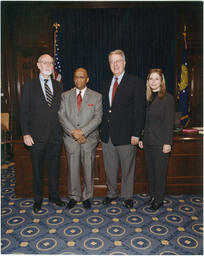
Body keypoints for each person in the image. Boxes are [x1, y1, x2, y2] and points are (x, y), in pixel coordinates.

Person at [100, 49, 146, 208]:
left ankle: (127, 196)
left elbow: (140, 111)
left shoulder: (136, 82)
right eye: (112, 62)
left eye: (118, 61)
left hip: (127, 135)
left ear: (124, 63)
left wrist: (136, 133)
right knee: (110, 168)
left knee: (127, 168)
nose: (115, 64)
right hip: (107, 135)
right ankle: (111, 193)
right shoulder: (105, 82)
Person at [20, 54, 65, 213]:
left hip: (55, 136)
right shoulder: (29, 86)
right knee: (37, 170)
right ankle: (37, 200)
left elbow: (62, 112)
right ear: (38, 65)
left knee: (54, 169)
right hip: (36, 137)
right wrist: (25, 133)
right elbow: (24, 112)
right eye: (45, 62)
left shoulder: (59, 86)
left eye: (51, 63)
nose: (48, 65)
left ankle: (54, 196)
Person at [58, 68, 102, 209]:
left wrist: (82, 132)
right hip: (71, 139)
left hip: (89, 139)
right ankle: (74, 196)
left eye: (81, 77)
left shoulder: (96, 96)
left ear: (87, 79)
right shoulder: (65, 95)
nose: (78, 80)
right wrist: (74, 133)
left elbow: (97, 118)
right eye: (76, 77)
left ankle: (87, 196)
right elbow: (61, 116)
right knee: (72, 168)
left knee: (89, 167)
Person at [139, 68, 174, 211]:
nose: (153, 82)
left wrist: (168, 143)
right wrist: (141, 137)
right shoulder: (147, 98)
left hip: (160, 143)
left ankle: (159, 200)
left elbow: (169, 122)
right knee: (151, 171)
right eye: (151, 79)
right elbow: (144, 121)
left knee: (160, 172)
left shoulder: (167, 98)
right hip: (147, 141)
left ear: (161, 81)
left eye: (156, 79)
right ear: (148, 81)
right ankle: (153, 195)